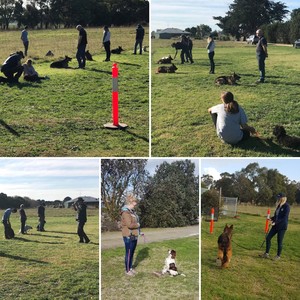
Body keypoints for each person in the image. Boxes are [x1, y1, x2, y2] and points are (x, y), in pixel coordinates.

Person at [260, 193, 290, 260]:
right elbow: (277, 216)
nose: (278, 199)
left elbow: (284, 217)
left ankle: (278, 256)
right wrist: (271, 218)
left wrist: (275, 222)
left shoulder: (287, 206)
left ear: (283, 198)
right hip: (275, 225)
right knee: (268, 238)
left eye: (280, 197)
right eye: (278, 197)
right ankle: (266, 253)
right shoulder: (279, 205)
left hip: (282, 226)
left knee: (279, 241)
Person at [121, 194, 140, 276]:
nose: (135, 204)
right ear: (130, 202)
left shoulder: (132, 212)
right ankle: (127, 270)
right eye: (134, 202)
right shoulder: (125, 212)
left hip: (134, 235)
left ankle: (130, 267)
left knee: (131, 253)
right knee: (128, 253)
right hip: (128, 235)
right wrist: (138, 225)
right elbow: (129, 225)